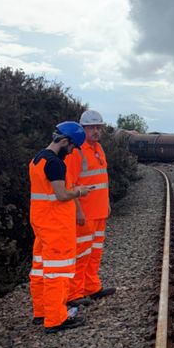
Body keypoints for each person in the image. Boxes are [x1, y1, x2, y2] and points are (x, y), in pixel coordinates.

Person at [29, 121, 90, 333]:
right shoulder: (55, 163)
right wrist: (80, 192)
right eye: (72, 147)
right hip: (56, 225)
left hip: (41, 221)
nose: (72, 151)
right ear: (64, 141)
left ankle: (42, 312)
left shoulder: (37, 159)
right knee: (58, 272)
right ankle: (56, 319)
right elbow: (62, 194)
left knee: (40, 269)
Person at [65, 110, 115, 306]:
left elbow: (102, 179)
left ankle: (92, 287)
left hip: (100, 211)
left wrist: (107, 202)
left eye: (98, 127)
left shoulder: (99, 148)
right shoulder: (75, 152)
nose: (96, 131)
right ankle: (74, 294)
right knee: (82, 254)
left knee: (95, 253)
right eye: (92, 128)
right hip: (85, 213)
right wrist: (77, 210)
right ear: (82, 129)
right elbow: (70, 183)